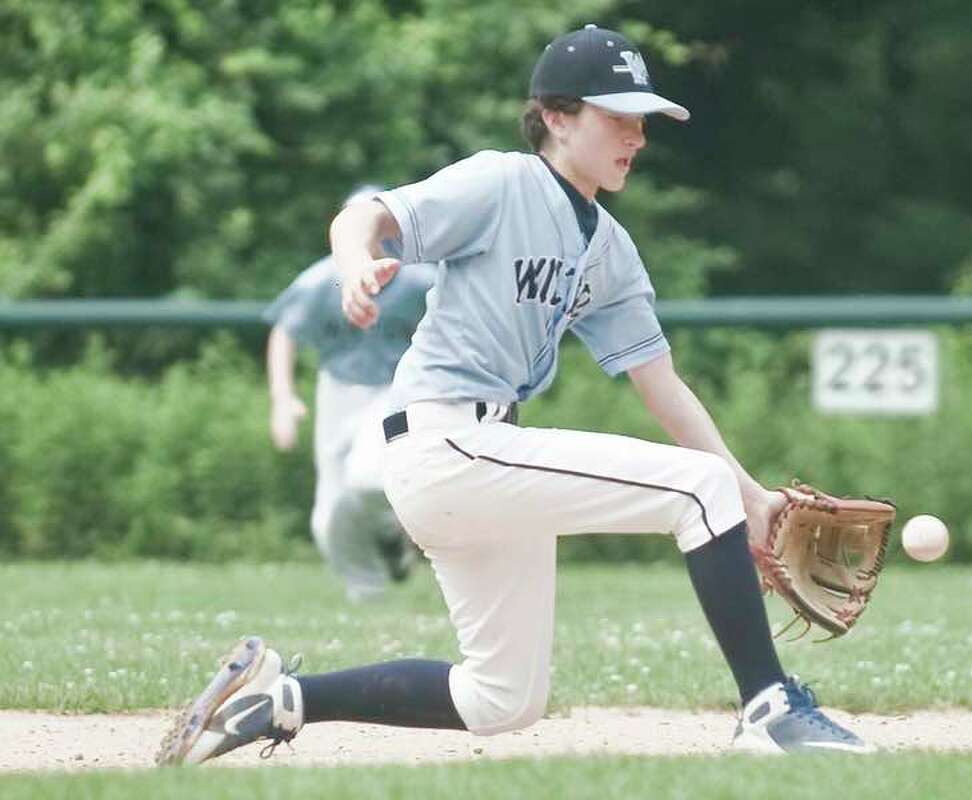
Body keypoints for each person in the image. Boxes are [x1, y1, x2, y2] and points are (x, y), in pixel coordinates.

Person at [158, 25, 872, 766]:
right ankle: (768, 705)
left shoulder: (610, 250)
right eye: (617, 116)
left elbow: (661, 384)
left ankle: (281, 699)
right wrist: (352, 266)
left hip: (480, 457)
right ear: (557, 116)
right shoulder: (502, 184)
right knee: (695, 489)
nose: (637, 135)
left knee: (502, 698)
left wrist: (752, 497)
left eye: (642, 120)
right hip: (448, 442)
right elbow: (363, 215)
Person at [263, 186, 436, 601]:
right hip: (338, 391)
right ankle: (368, 590)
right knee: (327, 519)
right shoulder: (323, 278)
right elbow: (284, 332)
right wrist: (282, 400)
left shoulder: (416, 279)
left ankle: (395, 530)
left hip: (395, 390)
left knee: (368, 479)